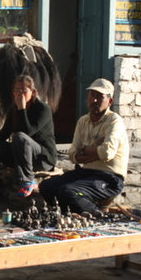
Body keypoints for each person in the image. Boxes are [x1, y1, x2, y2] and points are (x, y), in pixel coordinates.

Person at [39, 78, 129, 217]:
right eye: (92, 95)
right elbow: (72, 155)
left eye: (99, 97)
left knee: (69, 191)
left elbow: (106, 153)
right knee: (46, 186)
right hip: (85, 173)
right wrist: (93, 150)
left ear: (109, 101)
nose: (94, 100)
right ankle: (66, 214)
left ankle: (96, 216)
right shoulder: (83, 121)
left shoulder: (114, 120)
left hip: (109, 177)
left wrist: (85, 150)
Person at [0, 74, 56, 202]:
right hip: (21, 155)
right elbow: (4, 133)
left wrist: (22, 109)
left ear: (32, 93)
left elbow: (27, 132)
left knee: (20, 137)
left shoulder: (42, 108)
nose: (19, 94)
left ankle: (27, 181)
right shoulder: (13, 109)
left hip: (42, 158)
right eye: (16, 90)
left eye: (23, 90)